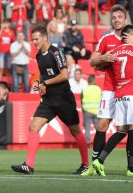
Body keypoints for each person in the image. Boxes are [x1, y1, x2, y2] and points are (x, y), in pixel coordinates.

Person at [11, 26, 89, 175]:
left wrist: (45, 83)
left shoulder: (56, 53)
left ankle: (85, 164)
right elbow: (43, 75)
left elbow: (64, 75)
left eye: (36, 39)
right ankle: (29, 165)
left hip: (64, 99)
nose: (34, 42)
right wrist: (38, 82)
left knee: (75, 130)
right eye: (32, 39)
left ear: (45, 38)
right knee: (33, 126)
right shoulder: (39, 55)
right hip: (48, 100)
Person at [92, 24, 133, 177]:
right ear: (132, 35)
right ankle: (132, 169)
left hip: (118, 94)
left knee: (121, 130)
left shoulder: (114, 52)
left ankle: (99, 160)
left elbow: (99, 67)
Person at [81, 5, 127, 176]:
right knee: (102, 125)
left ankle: (128, 166)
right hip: (109, 89)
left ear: (125, 19)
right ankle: (94, 164)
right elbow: (92, 61)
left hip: (128, 89)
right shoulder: (106, 39)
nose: (116, 20)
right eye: (113, 17)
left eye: (119, 17)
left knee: (124, 128)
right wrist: (103, 57)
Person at [81, 75, 102, 145]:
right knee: (97, 128)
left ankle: (88, 142)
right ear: (94, 80)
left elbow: (81, 100)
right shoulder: (98, 89)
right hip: (96, 111)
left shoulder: (84, 89)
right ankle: (99, 142)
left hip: (87, 111)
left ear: (88, 80)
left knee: (87, 128)